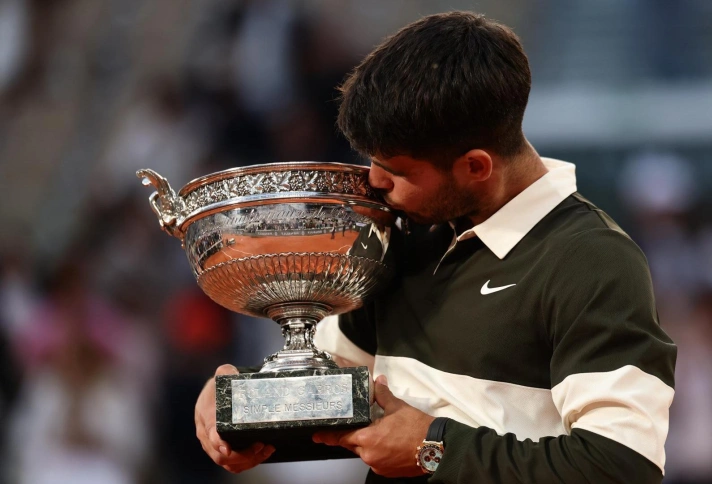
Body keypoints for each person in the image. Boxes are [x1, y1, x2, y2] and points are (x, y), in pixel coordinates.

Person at [194, 11, 676, 483]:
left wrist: (434, 447)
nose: (375, 181)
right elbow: (330, 391)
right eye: (371, 159)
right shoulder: (404, 236)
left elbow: (621, 465)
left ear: (476, 167)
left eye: (398, 170)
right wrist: (240, 405)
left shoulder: (592, 260)